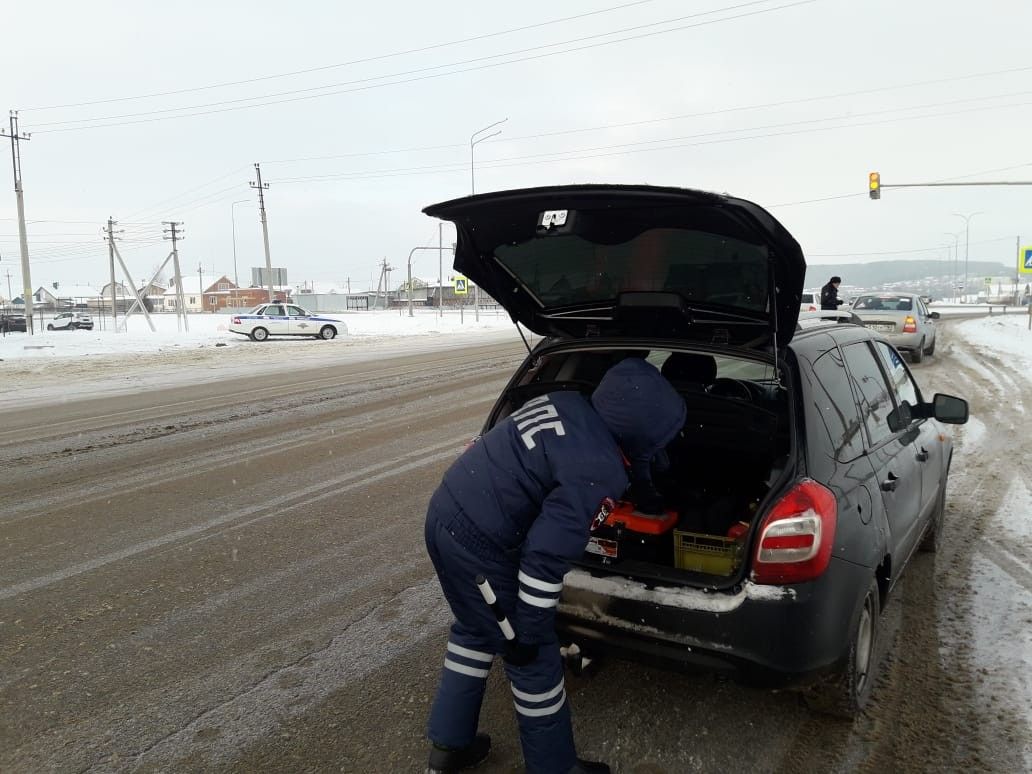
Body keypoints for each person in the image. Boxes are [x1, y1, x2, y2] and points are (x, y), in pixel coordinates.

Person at [423, 357, 687, 774]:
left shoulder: (570, 402)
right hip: (482, 545)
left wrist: (647, 483)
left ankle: (450, 745)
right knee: (533, 658)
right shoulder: (597, 468)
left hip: (445, 513)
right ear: (642, 433)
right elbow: (544, 557)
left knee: (475, 628)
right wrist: (529, 629)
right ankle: (555, 767)